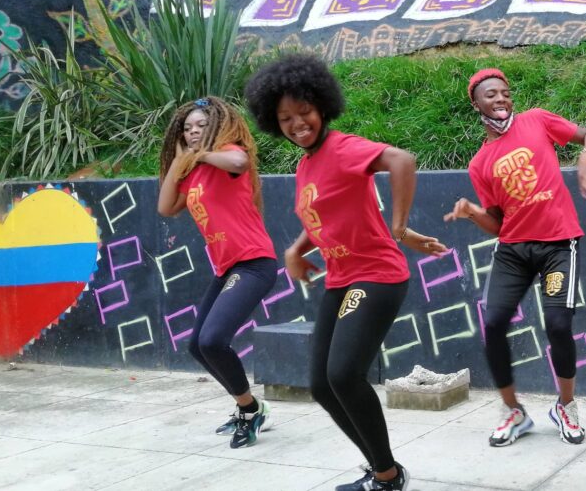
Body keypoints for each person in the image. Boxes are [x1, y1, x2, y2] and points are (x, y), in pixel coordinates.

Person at [245, 54, 448, 491]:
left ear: (321, 105)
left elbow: (402, 160)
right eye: (285, 118)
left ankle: (387, 477)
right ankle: (382, 470)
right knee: (321, 384)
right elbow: (324, 215)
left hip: (375, 274)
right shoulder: (306, 164)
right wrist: (296, 249)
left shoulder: (342, 148)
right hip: (340, 278)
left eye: (304, 111)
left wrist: (400, 227)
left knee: (342, 375)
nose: (297, 123)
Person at [443, 68, 586, 447]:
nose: (500, 98)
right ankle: (513, 410)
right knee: (494, 323)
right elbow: (498, 224)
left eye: (505, 92)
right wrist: (473, 213)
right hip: (513, 251)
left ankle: (565, 406)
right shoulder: (480, 163)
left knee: (558, 324)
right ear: (476, 104)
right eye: (491, 94)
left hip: (558, 244)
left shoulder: (537, 120)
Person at [157, 96, 277, 449]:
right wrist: (179, 161)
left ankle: (251, 411)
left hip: (254, 262)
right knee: (198, 345)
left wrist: (199, 153)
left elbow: (239, 161)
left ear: (217, 128)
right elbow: (166, 207)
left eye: (201, 125)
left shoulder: (227, 156)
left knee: (212, 340)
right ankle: (250, 407)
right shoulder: (194, 173)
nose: (193, 132)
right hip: (228, 268)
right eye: (187, 128)